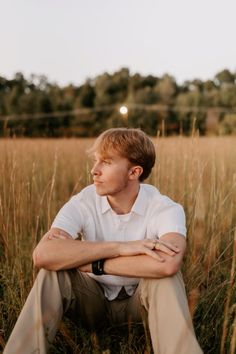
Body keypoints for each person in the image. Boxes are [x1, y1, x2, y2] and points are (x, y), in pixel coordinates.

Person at [4, 128, 203, 354]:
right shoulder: (83, 202)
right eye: (96, 161)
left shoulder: (164, 207)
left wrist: (94, 264)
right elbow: (43, 255)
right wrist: (121, 248)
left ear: (134, 172)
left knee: (166, 277)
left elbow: (168, 263)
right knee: (53, 272)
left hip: (141, 307)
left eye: (106, 162)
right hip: (92, 302)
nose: (94, 170)